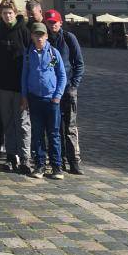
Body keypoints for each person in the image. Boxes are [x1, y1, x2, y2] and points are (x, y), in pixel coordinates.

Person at [0, 0, 32, 175]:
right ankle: (11, 155)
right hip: (3, 85)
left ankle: (25, 157)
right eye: (4, 12)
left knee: (22, 122)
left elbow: (30, 57)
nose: (7, 15)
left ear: (15, 13)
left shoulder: (23, 30)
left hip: (20, 85)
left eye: (10, 12)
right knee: (7, 122)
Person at [22, 22, 67, 179]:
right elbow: (24, 76)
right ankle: (40, 165)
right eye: (36, 34)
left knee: (54, 134)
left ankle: (56, 166)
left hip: (51, 100)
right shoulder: (28, 54)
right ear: (32, 36)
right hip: (34, 98)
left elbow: (61, 75)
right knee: (38, 133)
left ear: (46, 36)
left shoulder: (53, 53)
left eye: (42, 34)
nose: (39, 37)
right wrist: (24, 96)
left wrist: (57, 95)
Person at [44, 10, 85, 174]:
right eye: (49, 22)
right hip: (51, 91)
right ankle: (58, 160)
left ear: (60, 22)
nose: (52, 24)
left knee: (70, 126)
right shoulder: (44, 39)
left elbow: (79, 63)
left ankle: (74, 161)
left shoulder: (69, 38)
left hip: (67, 89)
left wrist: (73, 84)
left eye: (54, 22)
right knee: (54, 127)